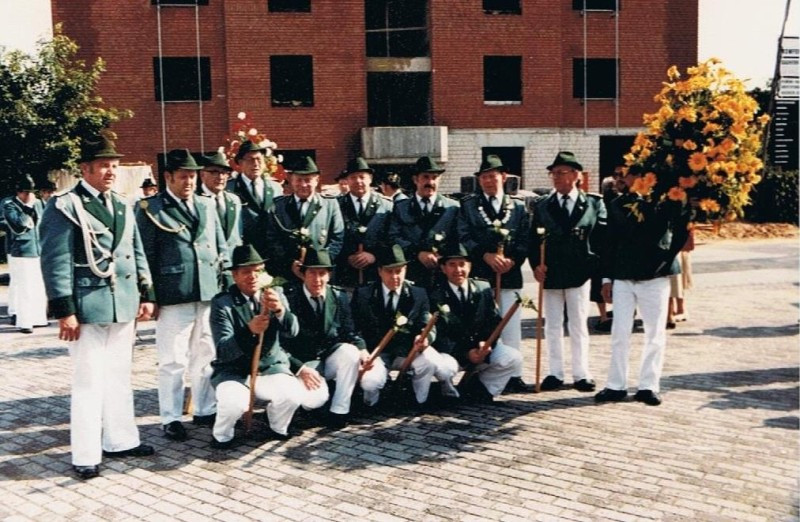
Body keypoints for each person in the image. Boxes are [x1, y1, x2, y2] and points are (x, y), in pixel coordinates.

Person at [40, 132, 155, 480]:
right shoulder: (64, 205)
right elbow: (56, 260)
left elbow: (135, 252)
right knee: (89, 381)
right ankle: (86, 453)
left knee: (119, 376)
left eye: (115, 165)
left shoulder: (122, 204)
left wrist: (146, 293)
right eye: (104, 165)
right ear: (85, 169)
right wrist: (65, 310)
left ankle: (121, 440)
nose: (111, 171)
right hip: (87, 306)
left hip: (122, 304)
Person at [136, 148, 230, 441]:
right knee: (172, 360)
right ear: (168, 177)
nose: (189, 182)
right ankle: (171, 417)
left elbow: (219, 246)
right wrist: (148, 295)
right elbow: (145, 255)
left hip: (207, 291)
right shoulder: (151, 208)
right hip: (173, 293)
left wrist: (224, 284)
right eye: (183, 177)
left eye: (192, 176)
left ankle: (204, 408)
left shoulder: (206, 204)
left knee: (206, 355)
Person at [595, 165, 690, 406]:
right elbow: (609, 244)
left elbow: (680, 229)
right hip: (624, 278)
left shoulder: (664, 202)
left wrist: (667, 258)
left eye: (636, 175)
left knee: (655, 333)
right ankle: (615, 385)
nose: (630, 179)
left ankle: (648, 385)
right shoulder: (617, 205)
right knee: (619, 332)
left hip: (654, 277)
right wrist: (606, 278)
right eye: (627, 175)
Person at [209, 244, 310, 448]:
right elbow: (224, 350)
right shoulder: (223, 304)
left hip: (270, 367)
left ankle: (275, 424)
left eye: (258, 271)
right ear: (235, 276)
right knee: (233, 404)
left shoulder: (276, 294)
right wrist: (249, 330)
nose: (253, 276)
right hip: (235, 371)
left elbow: (293, 331)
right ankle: (222, 435)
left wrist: (281, 311)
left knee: (293, 395)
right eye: (246, 271)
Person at [529, 151, 607, 393]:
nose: (555, 177)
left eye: (561, 172)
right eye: (553, 173)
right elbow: (532, 239)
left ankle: (582, 373)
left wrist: (595, 268)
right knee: (552, 324)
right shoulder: (542, 205)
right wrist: (535, 265)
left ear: (576, 175)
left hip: (579, 273)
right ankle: (555, 373)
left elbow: (602, 240)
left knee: (578, 324)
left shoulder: (593, 203)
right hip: (551, 273)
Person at [282, 247, 382, 429]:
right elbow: (279, 344)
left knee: (350, 353)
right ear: (303, 274)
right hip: (304, 363)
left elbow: (350, 330)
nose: (317, 279)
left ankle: (340, 410)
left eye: (322, 273)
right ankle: (314, 403)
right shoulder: (289, 298)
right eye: (312, 273)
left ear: (329, 275)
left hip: (329, 357)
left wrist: (363, 350)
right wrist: (300, 368)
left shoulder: (338, 296)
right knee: (313, 401)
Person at [457, 154, 533, 393]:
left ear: (503, 177)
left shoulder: (519, 207)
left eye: (493, 176)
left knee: (510, 326)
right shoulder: (468, 206)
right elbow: (464, 237)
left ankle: (514, 375)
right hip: (480, 277)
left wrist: (513, 259)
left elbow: (525, 239)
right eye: (484, 177)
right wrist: (485, 255)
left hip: (508, 276)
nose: (489, 181)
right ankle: (480, 372)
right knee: (481, 325)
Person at [351, 244, 458, 409]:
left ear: (406, 270)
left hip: (407, 351)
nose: (395, 277)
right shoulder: (363, 294)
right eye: (389, 271)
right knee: (371, 382)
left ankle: (419, 399)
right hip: (377, 353)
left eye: (399, 271)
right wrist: (363, 350)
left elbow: (426, 324)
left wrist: (425, 338)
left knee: (430, 363)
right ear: (379, 271)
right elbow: (354, 327)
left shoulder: (418, 293)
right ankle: (370, 403)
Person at [428, 243, 523, 402]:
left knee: (513, 358)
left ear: (470, 267)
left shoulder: (483, 287)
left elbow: (493, 322)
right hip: (452, 353)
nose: (458, 270)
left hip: (480, 350)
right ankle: (446, 392)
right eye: (452, 265)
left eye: (462, 264)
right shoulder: (434, 294)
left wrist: (485, 344)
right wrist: (466, 353)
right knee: (444, 369)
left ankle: (481, 389)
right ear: (443, 268)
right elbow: (439, 334)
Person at [265, 156, 344, 282]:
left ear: (317, 180)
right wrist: (289, 263)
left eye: (308, 180)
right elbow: (272, 239)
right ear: (291, 179)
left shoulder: (330, 205)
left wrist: (320, 263)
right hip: (288, 273)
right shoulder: (278, 206)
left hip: (320, 273)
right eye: (299, 180)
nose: (303, 185)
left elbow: (337, 238)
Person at [388, 156, 460, 289]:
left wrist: (442, 255)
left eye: (434, 177)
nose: (430, 182)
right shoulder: (401, 207)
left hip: (442, 274)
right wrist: (418, 253)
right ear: (416, 179)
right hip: (411, 272)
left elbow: (458, 239)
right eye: (426, 177)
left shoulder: (452, 207)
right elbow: (393, 237)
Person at [335, 157, 393, 289]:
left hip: (376, 274)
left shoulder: (386, 205)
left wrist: (374, 256)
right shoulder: (336, 205)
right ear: (347, 180)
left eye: (362, 177)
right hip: (345, 274)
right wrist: (347, 257)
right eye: (353, 177)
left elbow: (391, 238)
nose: (358, 181)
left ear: (370, 179)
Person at [3, 174, 48, 333]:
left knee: (39, 286)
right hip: (21, 251)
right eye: (25, 192)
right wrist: (28, 207)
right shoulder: (9, 204)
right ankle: (25, 321)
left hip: (39, 249)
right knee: (25, 288)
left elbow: (45, 223)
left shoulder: (38, 203)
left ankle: (38, 318)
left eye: (30, 192)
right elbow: (19, 226)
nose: (28, 195)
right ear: (18, 192)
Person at [226, 141, 283, 259]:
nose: (256, 164)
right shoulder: (229, 188)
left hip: (272, 252)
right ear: (240, 163)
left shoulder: (275, 187)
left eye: (259, 160)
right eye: (251, 160)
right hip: (245, 252)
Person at [197, 150, 243, 287]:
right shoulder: (195, 201)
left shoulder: (234, 200)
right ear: (202, 174)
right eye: (215, 172)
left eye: (224, 173)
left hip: (233, 268)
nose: (221, 177)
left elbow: (238, 235)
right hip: (208, 268)